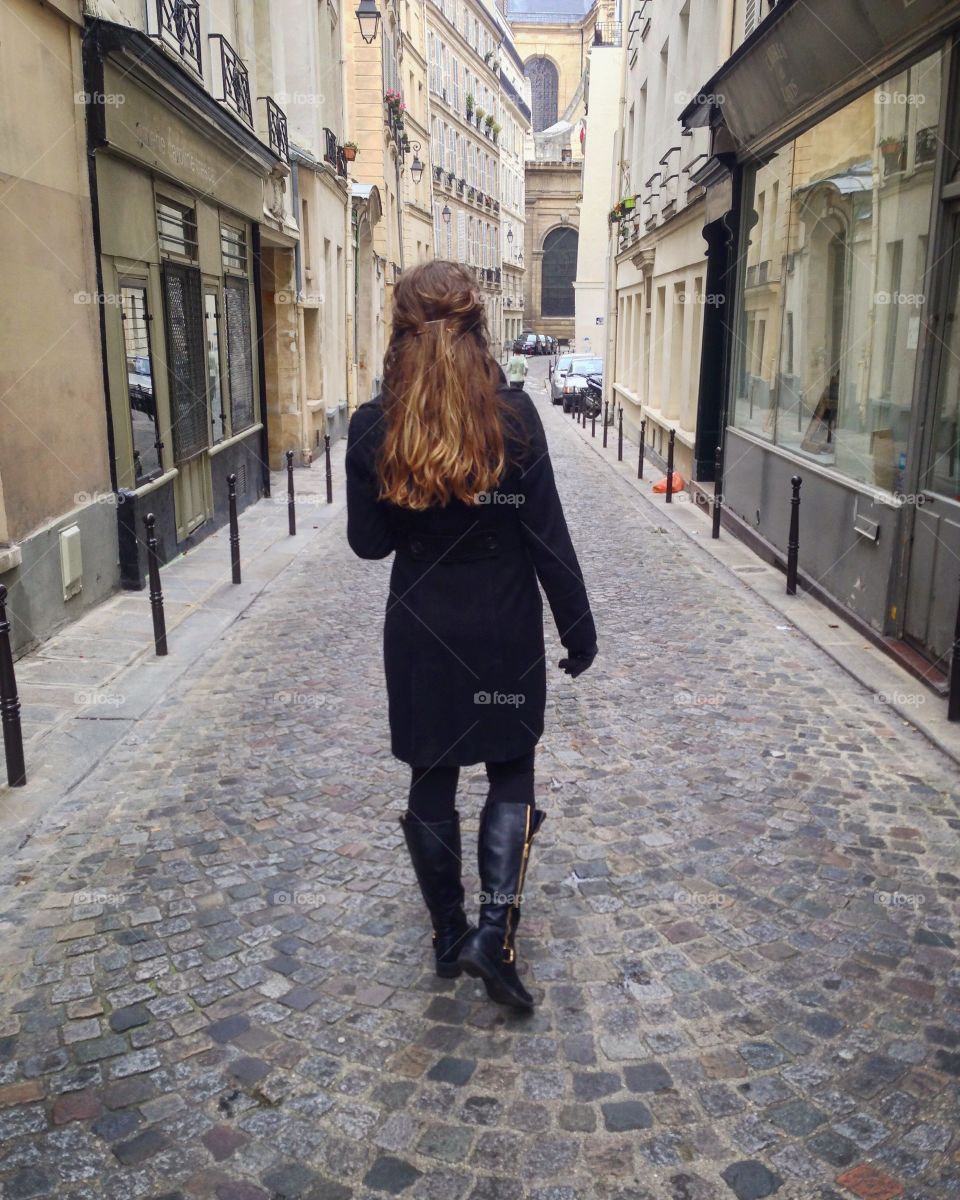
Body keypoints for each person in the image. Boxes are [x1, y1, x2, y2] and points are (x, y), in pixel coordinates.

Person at [345, 261, 597, 1011]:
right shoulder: (514, 416)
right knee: (510, 761)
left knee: (433, 769)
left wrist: (406, 491)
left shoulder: (373, 425)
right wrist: (578, 630)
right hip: (502, 621)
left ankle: (449, 935)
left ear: (399, 332)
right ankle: (495, 931)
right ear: (478, 327)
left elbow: (369, 545)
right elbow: (547, 537)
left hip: (422, 624)